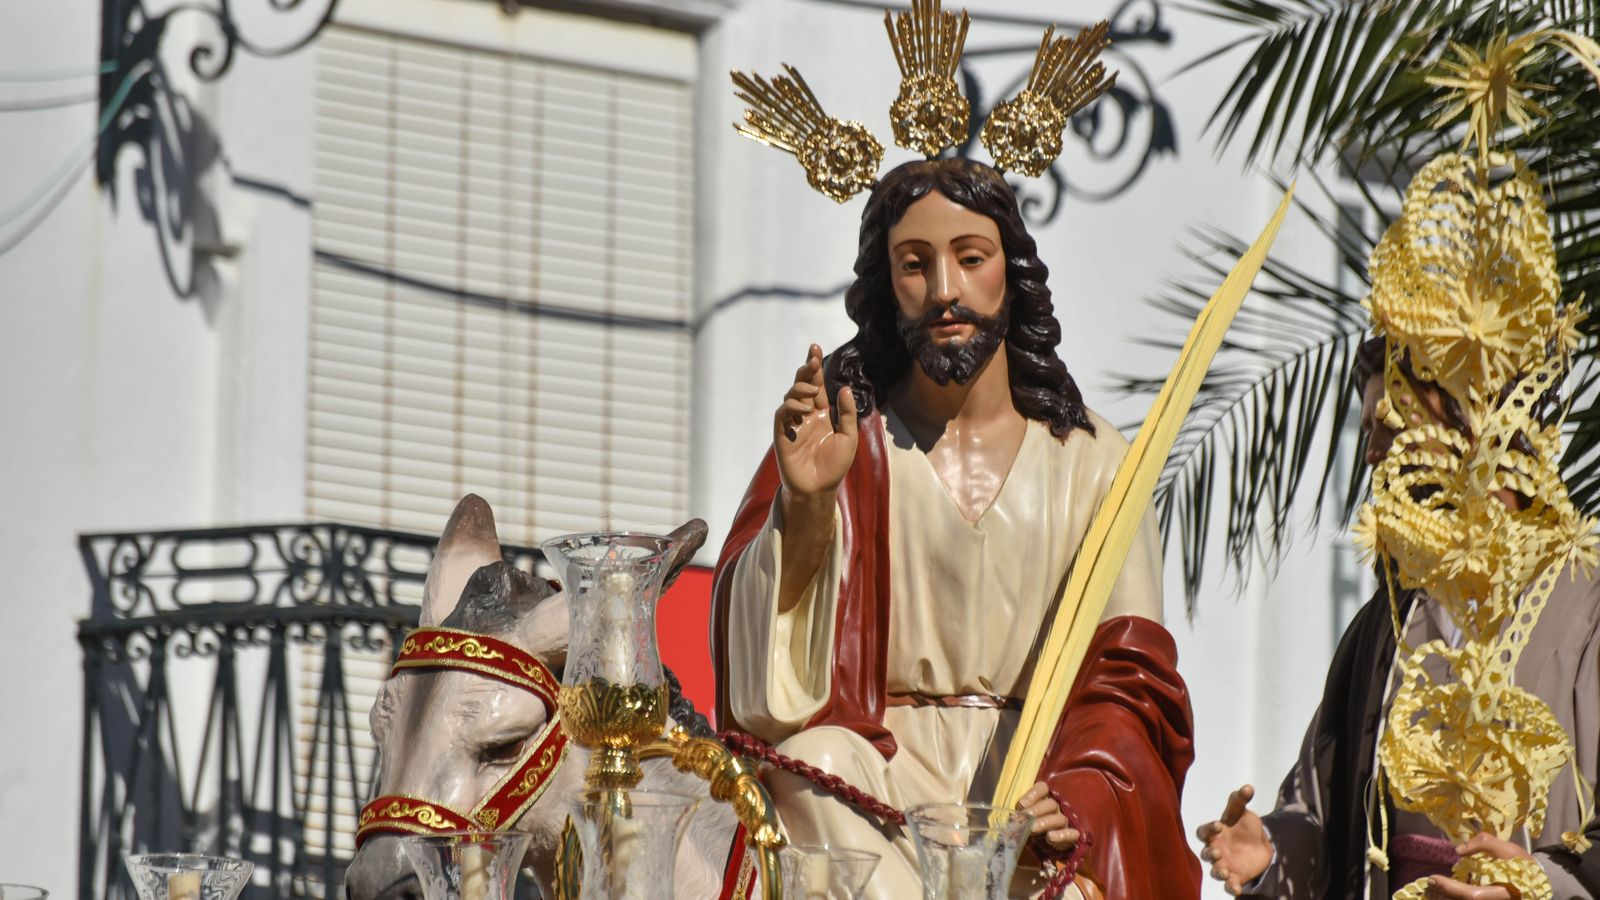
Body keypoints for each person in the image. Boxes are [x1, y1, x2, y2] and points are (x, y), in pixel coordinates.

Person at [710, 157, 1201, 900]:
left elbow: (1129, 682)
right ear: (887, 285)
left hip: (1028, 794)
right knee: (813, 763)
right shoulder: (846, 443)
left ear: (1011, 270)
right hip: (878, 788)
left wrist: (1078, 795)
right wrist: (805, 506)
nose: (945, 290)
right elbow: (762, 696)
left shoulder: (1095, 460)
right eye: (915, 265)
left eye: (971, 258)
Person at [1197, 337, 1600, 899]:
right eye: (1369, 434)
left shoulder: (1591, 604)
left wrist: (1533, 887)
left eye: (1387, 426)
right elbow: (1322, 811)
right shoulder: (1385, 622)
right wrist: (1273, 849)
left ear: (1477, 423)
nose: (1372, 454)